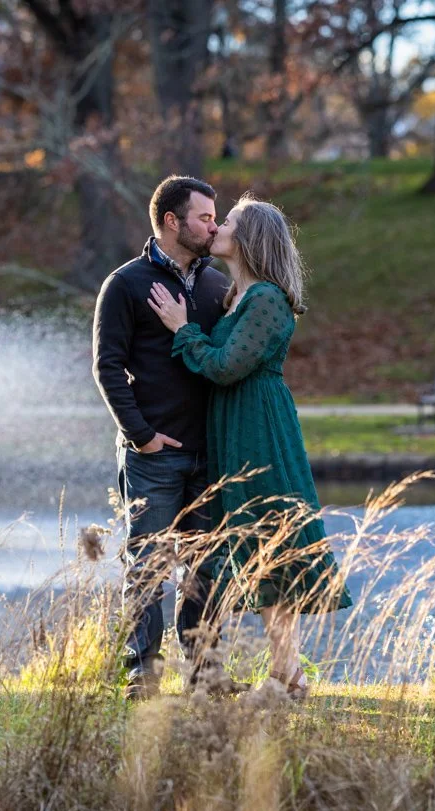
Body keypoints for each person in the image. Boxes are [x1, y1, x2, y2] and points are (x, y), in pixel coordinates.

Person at [146, 195, 351, 699]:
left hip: (259, 427)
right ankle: (288, 672)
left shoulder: (267, 299)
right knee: (259, 543)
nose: (216, 227)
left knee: (271, 539)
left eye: (227, 222)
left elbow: (225, 366)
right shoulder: (237, 295)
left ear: (249, 238)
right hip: (235, 425)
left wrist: (182, 328)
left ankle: (290, 673)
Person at [92, 176, 230, 699]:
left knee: (208, 567)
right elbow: (107, 369)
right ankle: (141, 673)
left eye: (215, 218)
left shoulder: (219, 285)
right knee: (147, 565)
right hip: (154, 455)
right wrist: (143, 436)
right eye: (204, 218)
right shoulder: (125, 284)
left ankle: (206, 673)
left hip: (209, 453)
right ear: (172, 222)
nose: (213, 226)